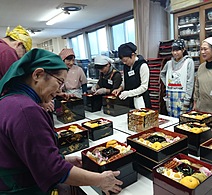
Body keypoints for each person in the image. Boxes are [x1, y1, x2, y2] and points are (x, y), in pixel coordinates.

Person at [0, 48, 122, 194]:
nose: (59, 91)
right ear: (38, 74)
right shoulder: (26, 110)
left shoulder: (12, 100)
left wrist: (64, 159)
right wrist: (100, 180)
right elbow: (51, 169)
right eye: (59, 82)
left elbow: (33, 154)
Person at [160, 39, 195, 117]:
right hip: (170, 96)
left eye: (178, 50)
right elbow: (162, 74)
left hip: (183, 97)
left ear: (183, 50)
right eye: (173, 50)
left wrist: (187, 99)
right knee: (171, 120)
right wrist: (168, 84)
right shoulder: (169, 63)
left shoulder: (189, 62)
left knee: (183, 121)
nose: (175, 53)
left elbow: (190, 81)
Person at [112, 42, 151, 109]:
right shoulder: (126, 66)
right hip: (129, 100)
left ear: (132, 55)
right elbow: (125, 81)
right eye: (122, 61)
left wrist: (128, 93)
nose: (124, 63)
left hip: (141, 100)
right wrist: (120, 89)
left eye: (125, 60)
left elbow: (144, 87)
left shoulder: (142, 65)